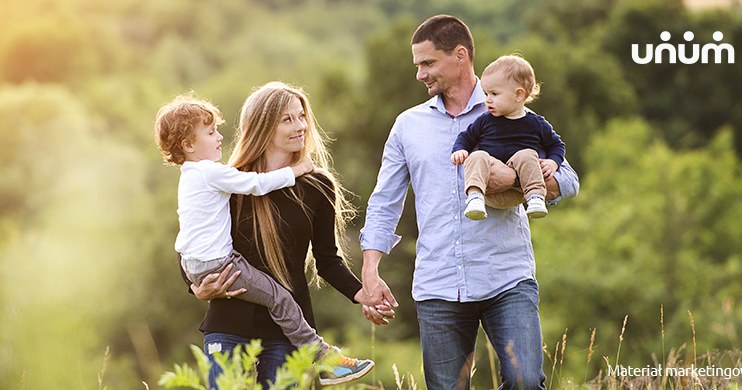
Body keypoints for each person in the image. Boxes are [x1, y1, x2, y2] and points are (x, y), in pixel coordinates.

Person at [359, 15, 579, 390]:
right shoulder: (407, 126)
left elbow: (568, 181)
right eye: (418, 65)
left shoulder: (511, 107)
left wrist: (513, 179)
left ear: (460, 55)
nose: (420, 75)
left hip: (506, 276)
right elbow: (384, 202)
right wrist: (370, 269)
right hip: (438, 284)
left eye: (428, 63)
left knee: (526, 382)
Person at [166, 84, 376, 388]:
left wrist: (363, 294)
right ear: (264, 126)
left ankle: (326, 358)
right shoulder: (233, 181)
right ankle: (326, 356)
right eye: (287, 119)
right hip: (229, 323)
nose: (300, 126)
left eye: (301, 116)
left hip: (286, 331)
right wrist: (196, 287)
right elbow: (192, 238)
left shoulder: (317, 186)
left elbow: (327, 261)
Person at [451, 54, 566, 220]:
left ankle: (536, 198)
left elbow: (556, 145)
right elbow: (466, 137)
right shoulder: (485, 120)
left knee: (527, 154)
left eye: (494, 94)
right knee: (477, 156)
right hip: (490, 190)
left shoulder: (536, 123)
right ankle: (474, 197)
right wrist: (460, 150)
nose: (487, 100)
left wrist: (553, 162)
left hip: (521, 194)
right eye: (485, 93)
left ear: (518, 95)